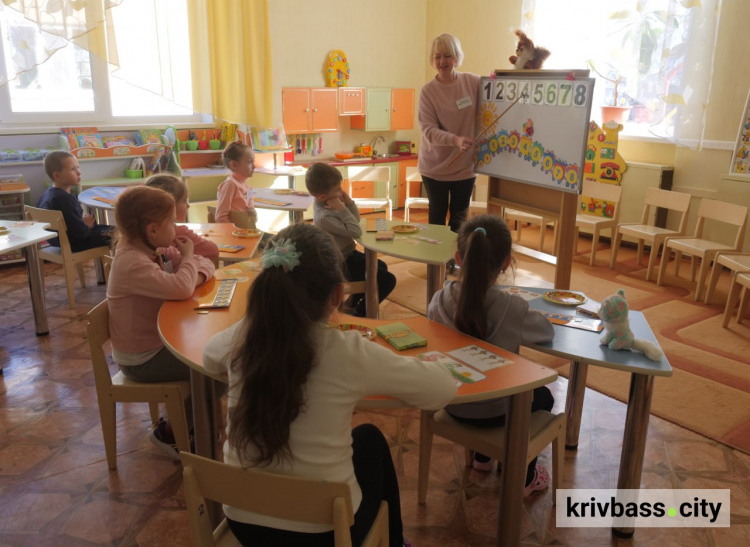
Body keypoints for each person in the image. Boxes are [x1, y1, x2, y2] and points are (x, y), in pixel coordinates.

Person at [203, 222, 456, 547]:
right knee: (371, 440)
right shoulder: (348, 352)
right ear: (339, 294)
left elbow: (210, 357)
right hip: (326, 535)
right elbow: (442, 390)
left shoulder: (240, 339)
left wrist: (254, 321)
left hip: (244, 525)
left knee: (366, 440)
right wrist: (434, 365)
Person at [427, 214, 555, 496]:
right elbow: (547, 333)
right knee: (543, 396)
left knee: (483, 384)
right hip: (497, 413)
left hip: (451, 403)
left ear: (459, 257)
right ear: (506, 262)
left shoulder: (438, 300)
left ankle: (482, 458)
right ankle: (525, 476)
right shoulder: (513, 308)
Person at [107, 186, 215, 458]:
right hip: (142, 359)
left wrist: (192, 274)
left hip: (157, 344)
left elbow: (206, 264)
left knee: (210, 358)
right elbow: (181, 287)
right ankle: (170, 433)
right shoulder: (133, 262)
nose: (177, 227)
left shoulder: (151, 248)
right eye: (172, 222)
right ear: (153, 230)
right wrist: (189, 264)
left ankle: (190, 425)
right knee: (214, 366)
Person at [305, 163, 396, 317]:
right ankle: (360, 314)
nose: (341, 192)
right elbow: (355, 230)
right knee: (388, 280)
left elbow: (355, 220)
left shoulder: (326, 202)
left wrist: (349, 203)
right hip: (341, 262)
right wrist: (341, 208)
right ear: (322, 197)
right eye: (337, 190)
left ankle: (352, 303)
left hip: (349, 255)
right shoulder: (324, 216)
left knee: (381, 266)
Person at [418, 33, 481, 233]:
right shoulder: (428, 91)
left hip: (464, 167)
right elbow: (428, 131)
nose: (442, 61)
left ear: (456, 57)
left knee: (459, 219)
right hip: (435, 167)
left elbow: (497, 93)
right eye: (437, 57)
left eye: (447, 56)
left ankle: (454, 262)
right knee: (437, 217)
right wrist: (456, 140)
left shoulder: (473, 82)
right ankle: (435, 264)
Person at [37, 150, 113, 252]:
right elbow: (82, 233)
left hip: (57, 240)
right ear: (57, 176)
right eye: (73, 169)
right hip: (76, 242)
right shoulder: (64, 199)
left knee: (113, 229)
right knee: (121, 234)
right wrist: (87, 224)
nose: (79, 172)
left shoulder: (48, 193)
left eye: (78, 167)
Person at [145, 173, 219, 266]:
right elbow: (213, 251)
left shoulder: (141, 232)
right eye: (184, 200)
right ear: (171, 205)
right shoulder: (180, 232)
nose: (188, 205)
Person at [216, 141, 258, 228]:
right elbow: (220, 218)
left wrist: (253, 213)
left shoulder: (248, 188)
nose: (254, 166)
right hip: (235, 236)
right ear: (234, 165)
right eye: (250, 162)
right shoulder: (230, 185)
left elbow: (252, 218)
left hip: (246, 232)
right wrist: (236, 233)